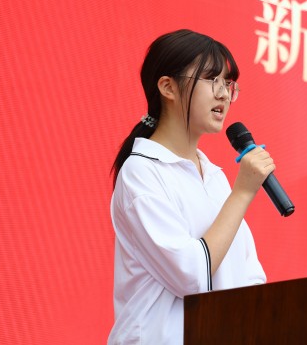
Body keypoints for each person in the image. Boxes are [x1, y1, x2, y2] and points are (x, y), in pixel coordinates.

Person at [108, 29, 274, 344]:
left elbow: (248, 274)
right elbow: (191, 277)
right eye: (212, 80)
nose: (224, 94)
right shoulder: (141, 172)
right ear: (168, 87)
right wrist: (242, 193)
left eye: (228, 83)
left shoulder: (214, 176)